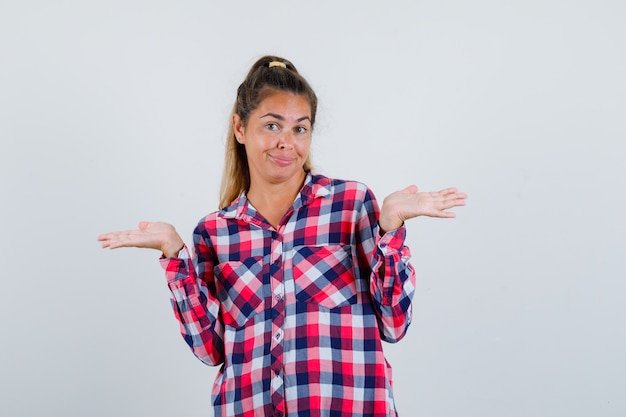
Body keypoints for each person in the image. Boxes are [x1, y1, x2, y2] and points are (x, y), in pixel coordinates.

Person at [98, 55, 467, 417]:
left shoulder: (351, 205)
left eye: (299, 128)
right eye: (272, 126)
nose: (286, 142)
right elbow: (209, 350)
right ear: (240, 128)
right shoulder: (214, 232)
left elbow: (395, 323)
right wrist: (174, 254)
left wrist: (390, 228)